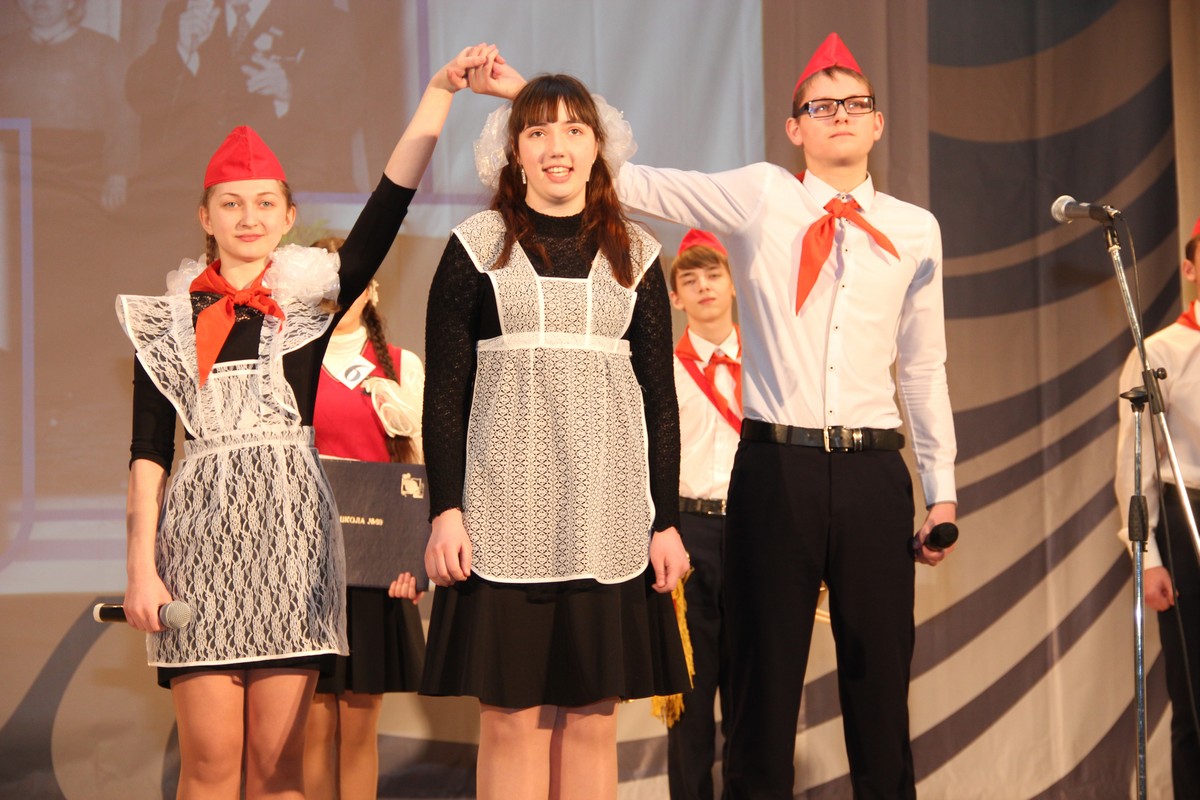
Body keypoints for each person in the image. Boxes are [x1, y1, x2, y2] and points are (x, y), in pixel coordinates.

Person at [468, 33, 958, 799]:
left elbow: (924, 367)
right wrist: (531, 99)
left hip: (873, 471)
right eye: (820, 106)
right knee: (762, 689)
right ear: (794, 128)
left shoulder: (916, 227)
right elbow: (634, 180)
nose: (839, 115)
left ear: (878, 123)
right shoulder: (763, 194)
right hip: (776, 466)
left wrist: (943, 490)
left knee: (880, 683)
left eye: (854, 103)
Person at [116, 45, 497, 799]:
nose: (248, 217)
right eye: (231, 203)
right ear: (205, 216)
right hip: (198, 551)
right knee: (210, 766)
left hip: (294, 551)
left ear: (288, 217)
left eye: (265, 203)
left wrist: (438, 92)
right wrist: (140, 569)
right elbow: (147, 455)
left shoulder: (312, 304)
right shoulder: (164, 324)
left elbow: (390, 201)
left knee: (280, 768)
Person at [419, 73, 692, 800]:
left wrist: (665, 521)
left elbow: (660, 403)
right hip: (500, 523)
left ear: (599, 147)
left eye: (574, 130)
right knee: (512, 723)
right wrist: (446, 510)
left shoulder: (638, 254)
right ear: (513, 153)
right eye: (537, 132)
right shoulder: (474, 248)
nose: (556, 147)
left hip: (608, 522)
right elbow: (444, 396)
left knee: (592, 723)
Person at [305, 237, 426, 800]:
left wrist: (411, 557)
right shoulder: (292, 361)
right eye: (331, 283)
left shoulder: (402, 364)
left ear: (372, 289)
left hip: (376, 563)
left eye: (355, 281)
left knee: (358, 726)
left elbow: (419, 471)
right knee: (311, 725)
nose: (344, 292)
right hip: (305, 559)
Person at [1115, 216, 1200, 799]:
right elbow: (1134, 461)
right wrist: (1146, 559)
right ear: (1190, 269)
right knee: (1195, 693)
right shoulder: (1163, 351)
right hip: (1186, 514)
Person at [125, 0, 365, 193]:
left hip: (297, 194)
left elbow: (349, 109)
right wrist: (181, 49)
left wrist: (289, 90)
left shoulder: (322, 18)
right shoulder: (190, 12)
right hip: (205, 197)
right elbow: (140, 95)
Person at [663, 229, 740, 800]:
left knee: (753, 693)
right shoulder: (660, 372)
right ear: (675, 298)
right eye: (690, 280)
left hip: (754, 535)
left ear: (734, 285)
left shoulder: (769, 366)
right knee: (688, 696)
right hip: (686, 535)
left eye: (714, 275)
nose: (704, 287)